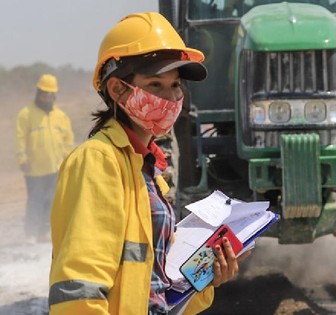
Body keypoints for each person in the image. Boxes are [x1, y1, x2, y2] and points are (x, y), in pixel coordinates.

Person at [48, 12, 247, 314]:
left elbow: (155, 286)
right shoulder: (98, 160)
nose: (170, 98)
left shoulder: (147, 169)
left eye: (176, 85)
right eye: (155, 84)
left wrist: (205, 277)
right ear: (117, 89)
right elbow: (80, 286)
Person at [14, 74, 74, 244]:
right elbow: (19, 139)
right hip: (33, 169)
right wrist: (22, 159)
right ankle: (31, 233)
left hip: (55, 167)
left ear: (54, 96)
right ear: (38, 93)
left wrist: (66, 159)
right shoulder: (26, 115)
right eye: (44, 94)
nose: (46, 97)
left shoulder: (60, 116)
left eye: (50, 94)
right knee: (35, 200)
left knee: (52, 201)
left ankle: (45, 232)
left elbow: (68, 139)